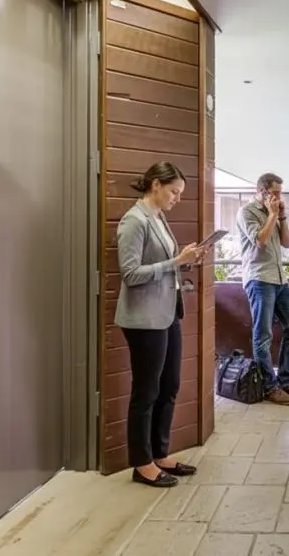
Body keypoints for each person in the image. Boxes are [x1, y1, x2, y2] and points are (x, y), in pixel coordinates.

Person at [116, 161, 206, 488]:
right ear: (155, 184)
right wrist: (175, 262)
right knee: (147, 391)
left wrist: (185, 259)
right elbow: (130, 274)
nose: (177, 198)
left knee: (169, 386)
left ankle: (160, 453)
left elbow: (164, 266)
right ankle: (141, 463)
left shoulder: (158, 218)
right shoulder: (133, 221)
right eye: (174, 191)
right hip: (143, 319)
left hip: (167, 314)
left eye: (180, 193)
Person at [237, 172, 289, 406]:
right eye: (275, 192)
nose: (279, 196)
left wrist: (282, 217)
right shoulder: (246, 212)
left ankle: (285, 380)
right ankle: (269, 387)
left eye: (280, 192)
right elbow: (260, 240)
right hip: (259, 280)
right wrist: (271, 215)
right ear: (262, 191)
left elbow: (287, 243)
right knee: (263, 336)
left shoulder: (276, 212)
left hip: (280, 279)